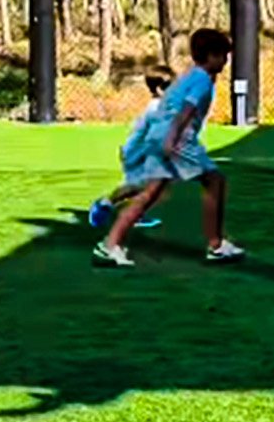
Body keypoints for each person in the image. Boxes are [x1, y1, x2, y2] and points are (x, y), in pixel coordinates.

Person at [92, 28, 245, 268]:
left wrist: (158, 138)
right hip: (178, 137)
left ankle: (110, 246)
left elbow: (168, 106)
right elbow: (186, 109)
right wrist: (172, 139)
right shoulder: (202, 81)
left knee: (149, 193)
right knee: (215, 181)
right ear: (210, 56)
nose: (226, 61)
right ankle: (216, 246)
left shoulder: (191, 76)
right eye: (222, 55)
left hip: (160, 134)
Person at [88, 65, 175, 231]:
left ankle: (133, 212)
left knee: (158, 189)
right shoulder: (156, 109)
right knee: (139, 187)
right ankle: (105, 204)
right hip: (138, 155)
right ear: (159, 89)